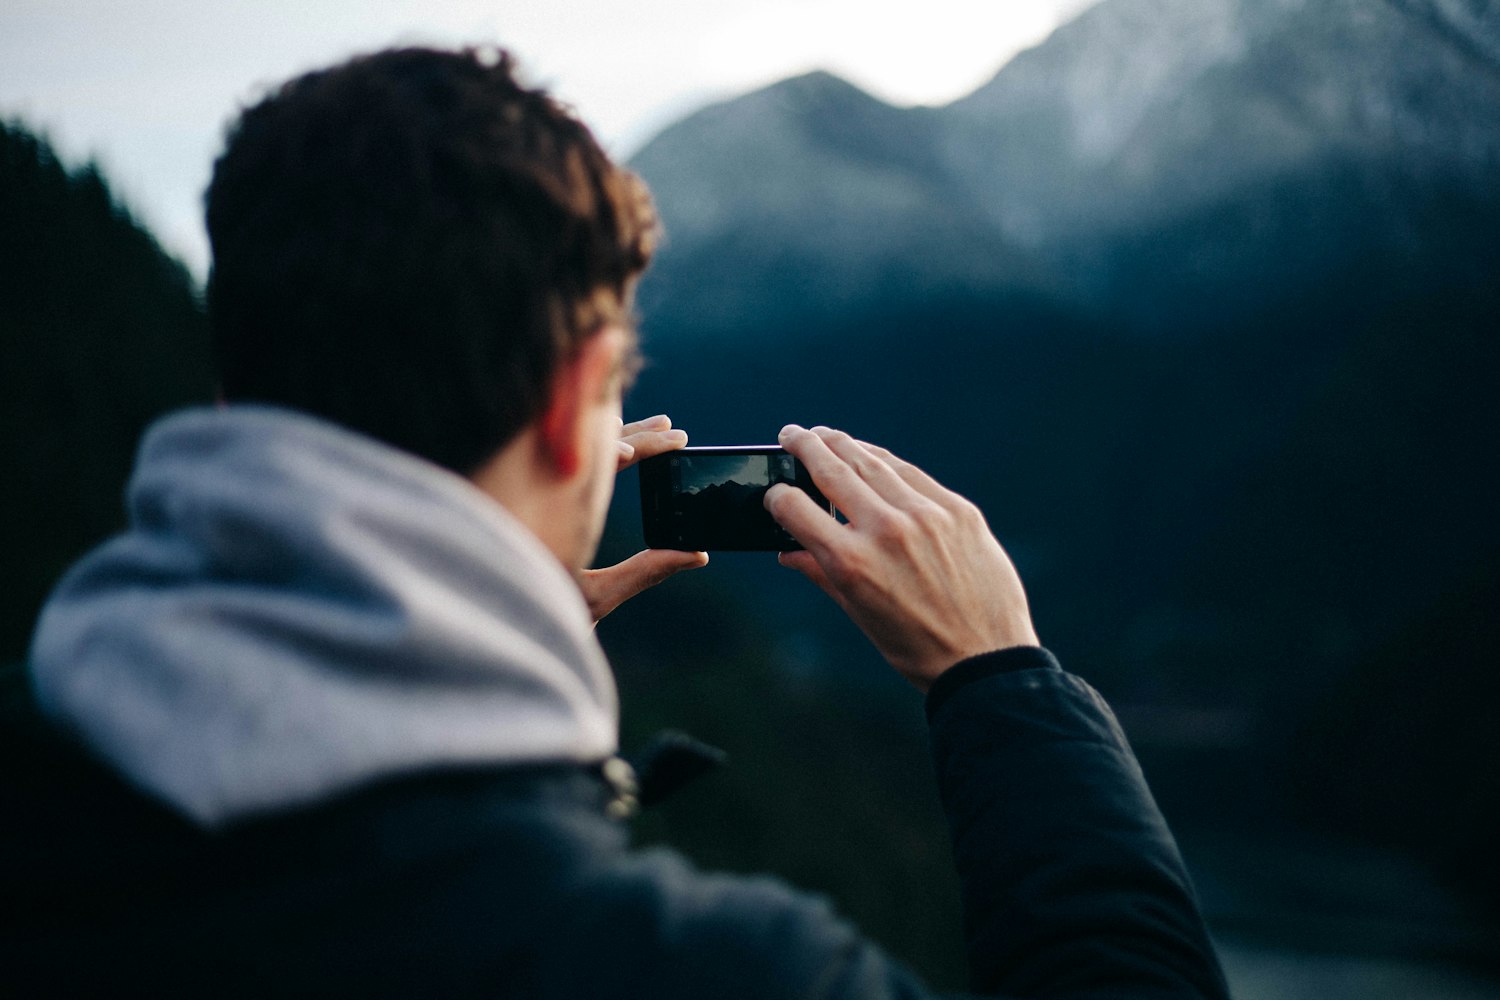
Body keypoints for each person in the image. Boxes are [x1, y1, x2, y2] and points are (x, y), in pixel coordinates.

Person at [3, 46, 1228, 997]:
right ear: (563, 404)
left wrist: (465, 687)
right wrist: (1001, 679)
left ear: (233, 394)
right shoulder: (702, 971)